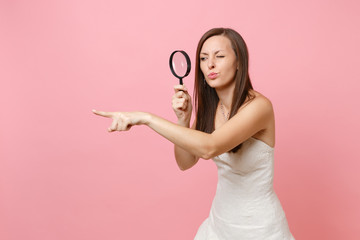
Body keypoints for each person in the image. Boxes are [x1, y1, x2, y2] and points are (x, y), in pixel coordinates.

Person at [92, 27, 295, 239]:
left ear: (239, 63)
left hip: (259, 229)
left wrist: (146, 118)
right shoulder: (211, 109)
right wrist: (183, 119)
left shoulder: (258, 107)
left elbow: (209, 147)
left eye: (220, 56)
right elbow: (185, 162)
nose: (210, 65)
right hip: (219, 225)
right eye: (203, 58)